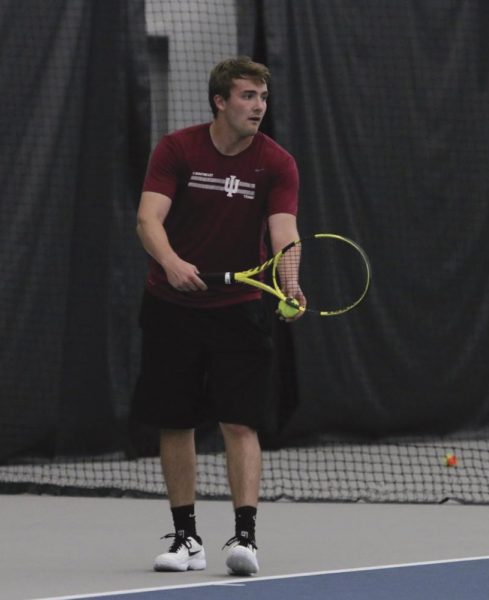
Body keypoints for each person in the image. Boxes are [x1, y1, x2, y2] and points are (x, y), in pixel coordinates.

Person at [132, 56, 304, 576]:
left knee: (239, 421)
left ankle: (245, 539)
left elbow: (284, 232)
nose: (258, 107)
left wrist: (289, 280)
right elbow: (147, 218)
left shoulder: (276, 163)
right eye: (248, 97)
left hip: (239, 310)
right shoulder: (177, 148)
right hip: (171, 305)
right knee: (175, 420)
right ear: (220, 102)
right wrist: (171, 262)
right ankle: (186, 539)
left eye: (263, 98)